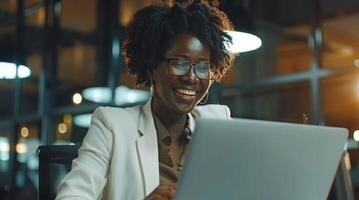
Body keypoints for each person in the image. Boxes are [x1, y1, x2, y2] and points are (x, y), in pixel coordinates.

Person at [56, 1, 235, 199]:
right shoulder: (112, 126)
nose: (191, 77)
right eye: (179, 64)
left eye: (202, 67)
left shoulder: (218, 123)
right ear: (152, 67)